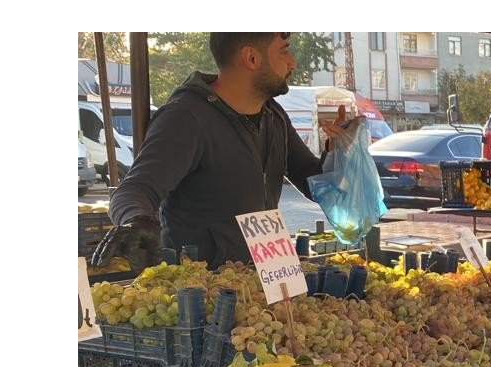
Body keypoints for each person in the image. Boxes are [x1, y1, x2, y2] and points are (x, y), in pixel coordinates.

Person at [94, 32, 343, 269]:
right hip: (207, 292)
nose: (293, 63)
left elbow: (314, 181)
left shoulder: (273, 116)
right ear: (252, 58)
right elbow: (135, 188)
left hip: (268, 278)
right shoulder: (187, 117)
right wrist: (136, 220)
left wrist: (337, 150)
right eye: (283, 51)